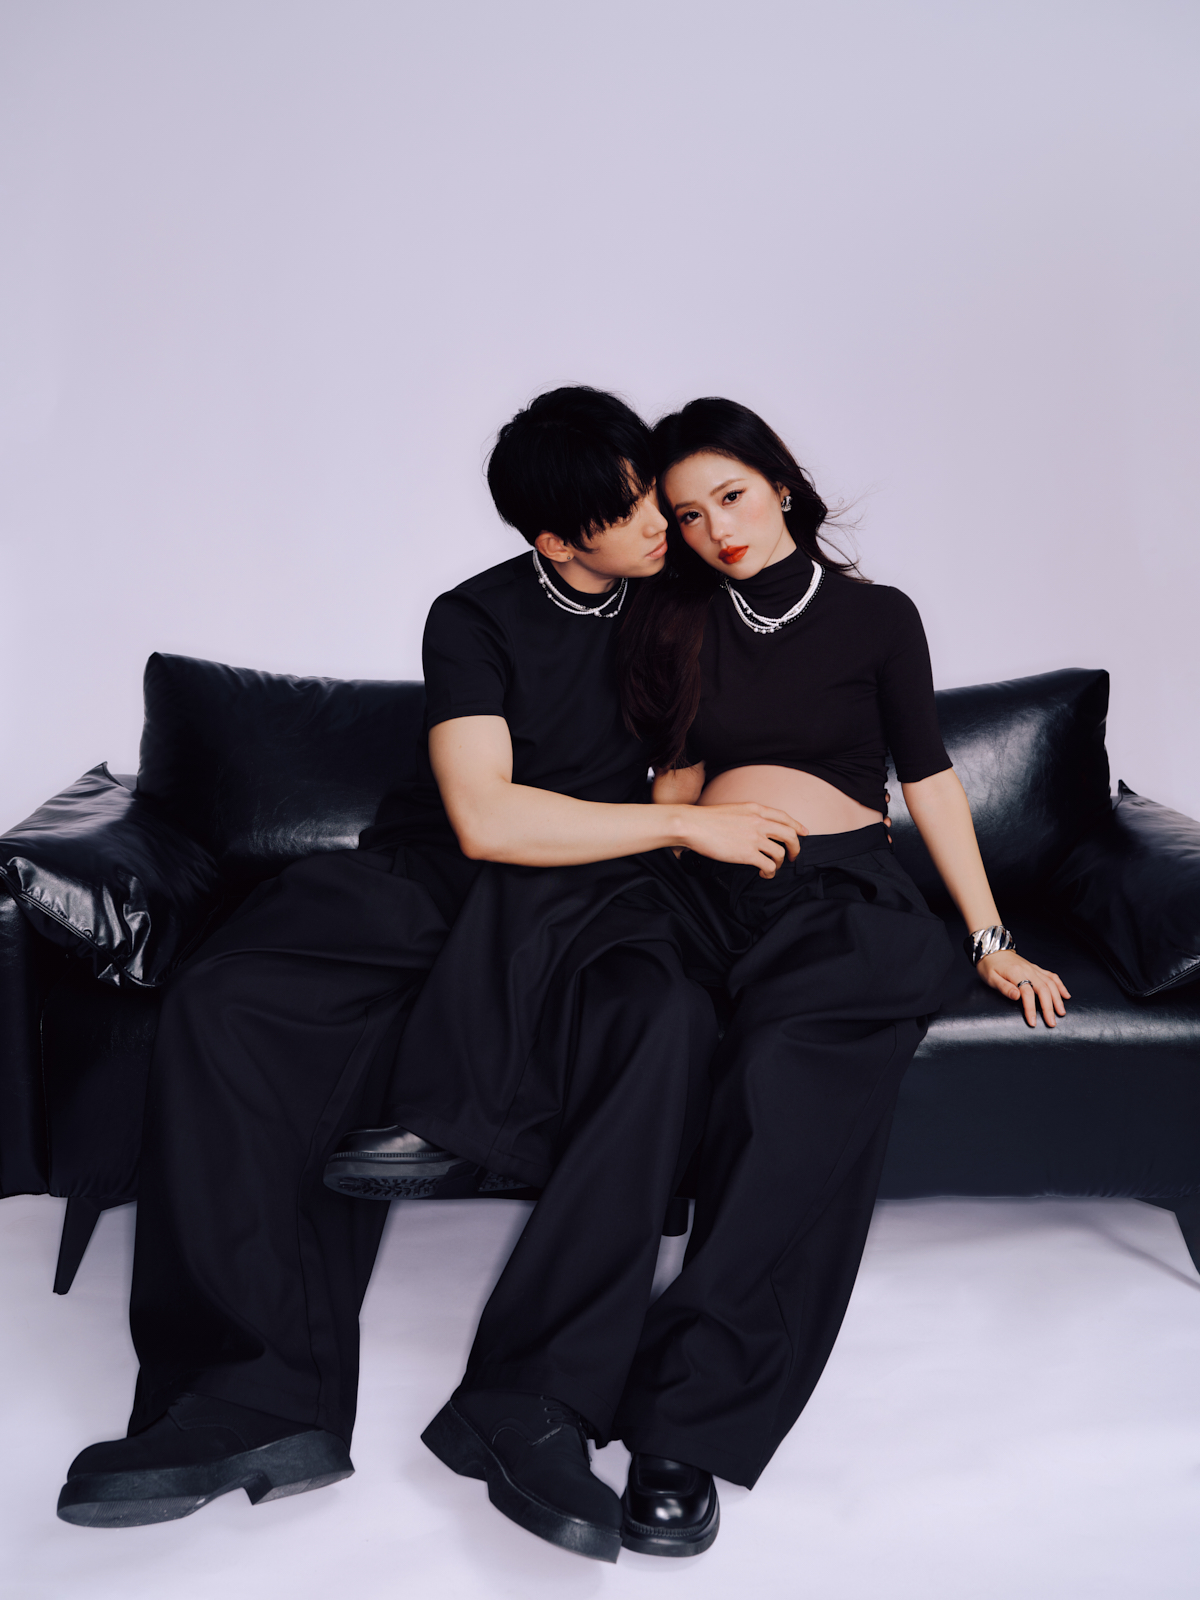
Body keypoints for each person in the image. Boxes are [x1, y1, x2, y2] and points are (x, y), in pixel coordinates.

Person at [54, 388, 801, 1541]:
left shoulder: (687, 599)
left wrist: (684, 815)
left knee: (663, 1020)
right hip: (442, 871)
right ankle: (249, 1396)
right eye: (629, 511)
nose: (662, 520)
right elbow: (486, 819)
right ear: (556, 539)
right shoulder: (474, 617)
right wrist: (677, 823)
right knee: (226, 995)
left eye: (654, 492)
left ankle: (534, 1402)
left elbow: (706, 756)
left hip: (600, 887)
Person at [600, 396, 1071, 1550]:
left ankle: (684, 1418)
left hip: (839, 898)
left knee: (779, 1076)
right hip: (706, 892)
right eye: (688, 514)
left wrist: (991, 938)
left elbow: (932, 781)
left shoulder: (875, 618)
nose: (716, 529)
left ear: (782, 484)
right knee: (625, 1005)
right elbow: (674, 787)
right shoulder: (677, 622)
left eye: (731, 496)